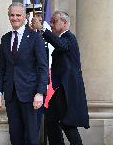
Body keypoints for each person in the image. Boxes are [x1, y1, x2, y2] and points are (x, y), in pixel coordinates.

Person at [0, 2, 49, 145]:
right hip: (11, 96)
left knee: (31, 138)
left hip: (31, 96)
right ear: (8, 17)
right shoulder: (5, 39)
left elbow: (43, 67)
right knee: (15, 137)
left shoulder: (35, 37)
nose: (15, 18)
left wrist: (40, 93)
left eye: (18, 15)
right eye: (12, 15)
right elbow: (3, 68)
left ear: (25, 16)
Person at [32, 11, 89, 145]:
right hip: (60, 88)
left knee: (67, 122)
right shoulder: (62, 38)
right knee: (51, 119)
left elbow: (61, 45)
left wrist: (41, 28)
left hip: (67, 89)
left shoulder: (69, 37)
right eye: (50, 21)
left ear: (64, 23)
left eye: (54, 21)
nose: (51, 24)